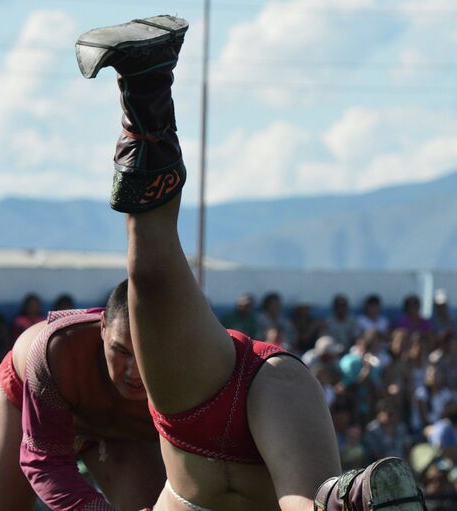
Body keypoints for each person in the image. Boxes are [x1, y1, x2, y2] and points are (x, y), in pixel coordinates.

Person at [75, 14, 423, 511]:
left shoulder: (79, 359)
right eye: (120, 352)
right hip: (253, 426)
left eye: (132, 351)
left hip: (240, 393)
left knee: (148, 271)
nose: (132, 369)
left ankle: (145, 79)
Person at [0, 281, 165, 511]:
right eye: (121, 351)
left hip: (125, 434)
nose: (133, 372)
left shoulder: (204, 365)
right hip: (28, 400)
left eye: (146, 353)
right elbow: (46, 464)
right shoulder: (58, 350)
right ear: (103, 327)